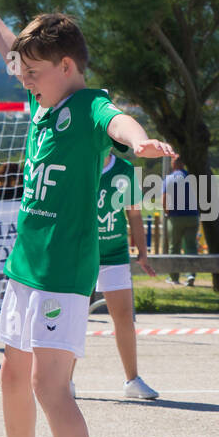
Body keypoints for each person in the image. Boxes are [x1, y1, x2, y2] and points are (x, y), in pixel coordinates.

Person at [0, 0, 174, 437]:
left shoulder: (87, 107)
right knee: (13, 376)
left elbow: (120, 120)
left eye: (33, 72)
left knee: (50, 386)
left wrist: (140, 144)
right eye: (23, 72)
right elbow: (12, 47)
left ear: (66, 67)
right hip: (25, 264)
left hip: (64, 267)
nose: (24, 79)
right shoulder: (43, 100)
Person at [73, 150, 159, 398]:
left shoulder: (125, 170)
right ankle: (64, 381)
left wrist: (142, 252)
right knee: (76, 317)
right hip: (81, 252)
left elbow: (133, 214)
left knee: (123, 317)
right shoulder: (78, 163)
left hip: (115, 253)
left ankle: (132, 380)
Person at [164, 156, 200, 285]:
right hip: (193, 216)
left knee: (174, 247)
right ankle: (191, 275)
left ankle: (174, 277)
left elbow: (165, 198)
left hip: (176, 217)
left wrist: (167, 212)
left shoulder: (169, 178)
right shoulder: (192, 177)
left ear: (174, 164)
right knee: (191, 246)